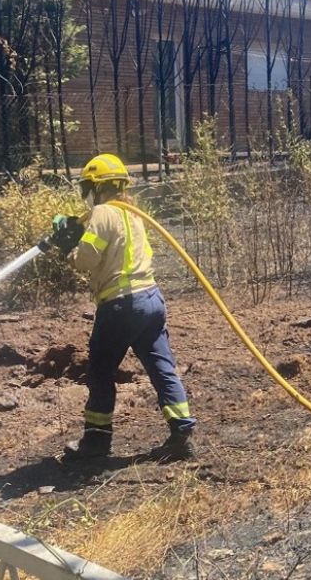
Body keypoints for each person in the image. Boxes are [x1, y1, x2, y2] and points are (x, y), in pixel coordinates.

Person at [48, 153, 197, 461]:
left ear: (96, 187)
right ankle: (181, 431)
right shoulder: (133, 212)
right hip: (152, 300)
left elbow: (87, 259)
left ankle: (96, 443)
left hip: (121, 304)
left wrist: (67, 249)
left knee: (100, 373)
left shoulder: (103, 212)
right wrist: (80, 233)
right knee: (161, 366)